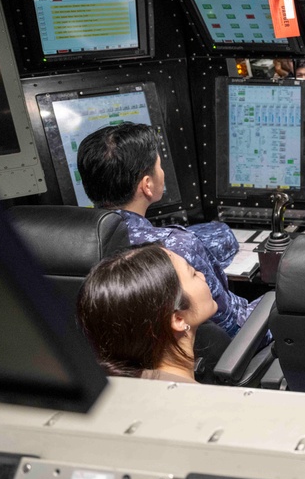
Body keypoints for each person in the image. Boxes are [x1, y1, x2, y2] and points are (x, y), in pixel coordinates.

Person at [77, 122, 255, 337]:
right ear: (147, 185)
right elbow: (231, 325)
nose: (162, 172)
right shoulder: (174, 246)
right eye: (159, 166)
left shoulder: (76, 242)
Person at [77, 243, 218, 383]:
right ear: (178, 319)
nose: (202, 276)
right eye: (193, 273)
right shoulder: (211, 403)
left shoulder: (100, 390)